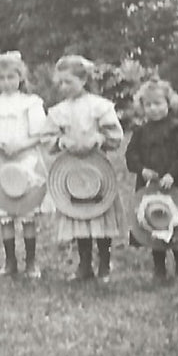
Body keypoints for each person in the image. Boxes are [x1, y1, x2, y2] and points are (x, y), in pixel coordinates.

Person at [47, 54, 126, 283]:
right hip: (72, 169)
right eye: (60, 83)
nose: (63, 87)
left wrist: (99, 138)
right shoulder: (59, 110)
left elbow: (115, 136)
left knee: (99, 214)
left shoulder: (98, 106)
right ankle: (84, 264)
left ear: (83, 80)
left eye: (68, 81)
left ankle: (104, 262)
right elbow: (48, 138)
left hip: (96, 166)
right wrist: (62, 142)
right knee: (79, 215)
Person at [0, 50, 51, 278]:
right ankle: (9, 261)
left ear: (20, 77)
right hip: (0, 160)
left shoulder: (31, 103)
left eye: (11, 77)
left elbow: (40, 133)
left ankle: (31, 262)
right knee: (4, 213)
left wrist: (21, 145)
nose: (7, 83)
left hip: (25, 158)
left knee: (27, 213)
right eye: (2, 78)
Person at [124, 76, 178, 284]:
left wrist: (172, 174)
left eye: (158, 104)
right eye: (148, 105)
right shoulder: (141, 131)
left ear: (169, 103)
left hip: (176, 184)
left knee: (177, 223)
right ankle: (159, 268)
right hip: (151, 186)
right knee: (152, 223)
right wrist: (142, 170)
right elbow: (131, 156)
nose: (153, 109)